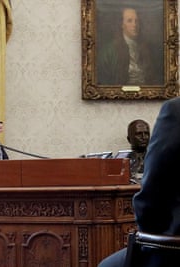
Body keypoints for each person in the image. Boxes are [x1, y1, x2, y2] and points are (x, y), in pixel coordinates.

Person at [98, 97, 180, 267]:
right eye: (138, 134)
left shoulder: (176, 110)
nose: (143, 137)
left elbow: (150, 200)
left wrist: (150, 234)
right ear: (129, 138)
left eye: (146, 134)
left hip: (172, 249)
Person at [97, 6, 162, 85]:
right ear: (122, 24)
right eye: (129, 21)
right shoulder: (108, 51)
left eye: (136, 21)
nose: (134, 25)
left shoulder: (148, 48)